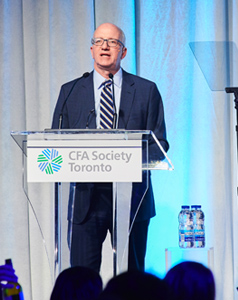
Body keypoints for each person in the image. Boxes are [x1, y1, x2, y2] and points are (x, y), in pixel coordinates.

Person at [51, 23, 169, 272]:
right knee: (81, 277)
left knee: (132, 278)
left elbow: (159, 144)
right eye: (99, 41)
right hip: (86, 199)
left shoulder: (147, 90)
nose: (105, 46)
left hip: (133, 198)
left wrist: (123, 162)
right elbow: (56, 143)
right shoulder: (71, 91)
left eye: (113, 42)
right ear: (92, 49)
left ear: (123, 52)